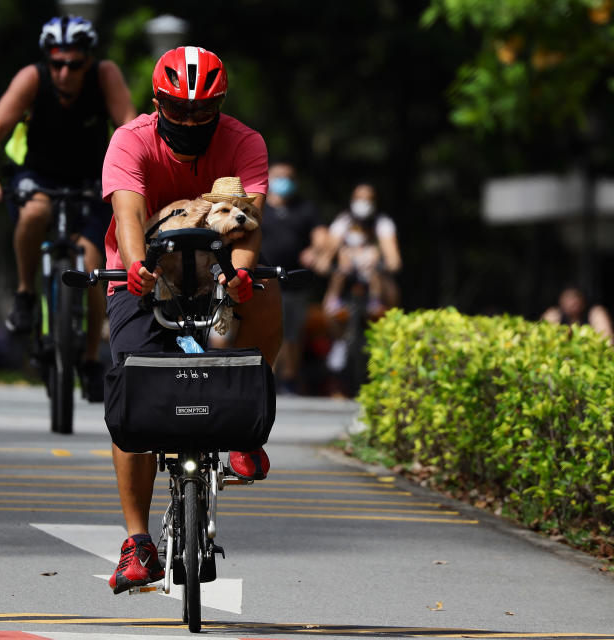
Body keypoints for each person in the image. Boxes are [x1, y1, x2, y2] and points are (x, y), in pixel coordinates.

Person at [101, 46, 279, 594]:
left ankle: (247, 425)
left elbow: (248, 221)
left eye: (205, 111)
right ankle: (138, 544)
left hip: (220, 265)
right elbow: (128, 212)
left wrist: (243, 275)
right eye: (179, 111)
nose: (192, 122)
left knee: (268, 293)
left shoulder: (246, 142)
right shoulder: (130, 139)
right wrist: (136, 268)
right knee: (134, 381)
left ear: (221, 105)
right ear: (158, 103)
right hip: (144, 270)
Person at [0, 15, 135, 398]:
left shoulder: (105, 76)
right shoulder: (32, 78)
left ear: (88, 61)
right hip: (40, 175)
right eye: (57, 64)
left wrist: (131, 180)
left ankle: (93, 359)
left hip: (92, 179)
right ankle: (26, 292)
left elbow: (128, 126)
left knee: (94, 266)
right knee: (33, 213)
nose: (65, 73)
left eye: (74, 64)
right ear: (47, 61)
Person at [259, 162, 325, 394]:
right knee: (267, 331)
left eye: (288, 177)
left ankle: (289, 379)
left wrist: (315, 252)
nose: (283, 182)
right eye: (279, 177)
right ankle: (269, 378)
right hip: (264, 281)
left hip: (295, 281)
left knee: (292, 334)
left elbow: (321, 238)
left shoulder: (305, 209)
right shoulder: (259, 206)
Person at [318, 183, 402, 318]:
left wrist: (389, 263)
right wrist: (326, 262)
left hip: (372, 271)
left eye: (368, 199)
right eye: (359, 198)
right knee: (336, 279)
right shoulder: (344, 221)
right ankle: (334, 305)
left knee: (389, 289)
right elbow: (330, 249)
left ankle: (377, 303)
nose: (363, 203)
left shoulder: (382, 223)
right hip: (348, 271)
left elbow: (392, 254)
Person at [541, 285, 614, 343]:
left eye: (574, 297)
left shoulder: (595, 313)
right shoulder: (554, 315)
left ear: (583, 299)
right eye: (567, 298)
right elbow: (542, 339)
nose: (571, 303)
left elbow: (607, 340)